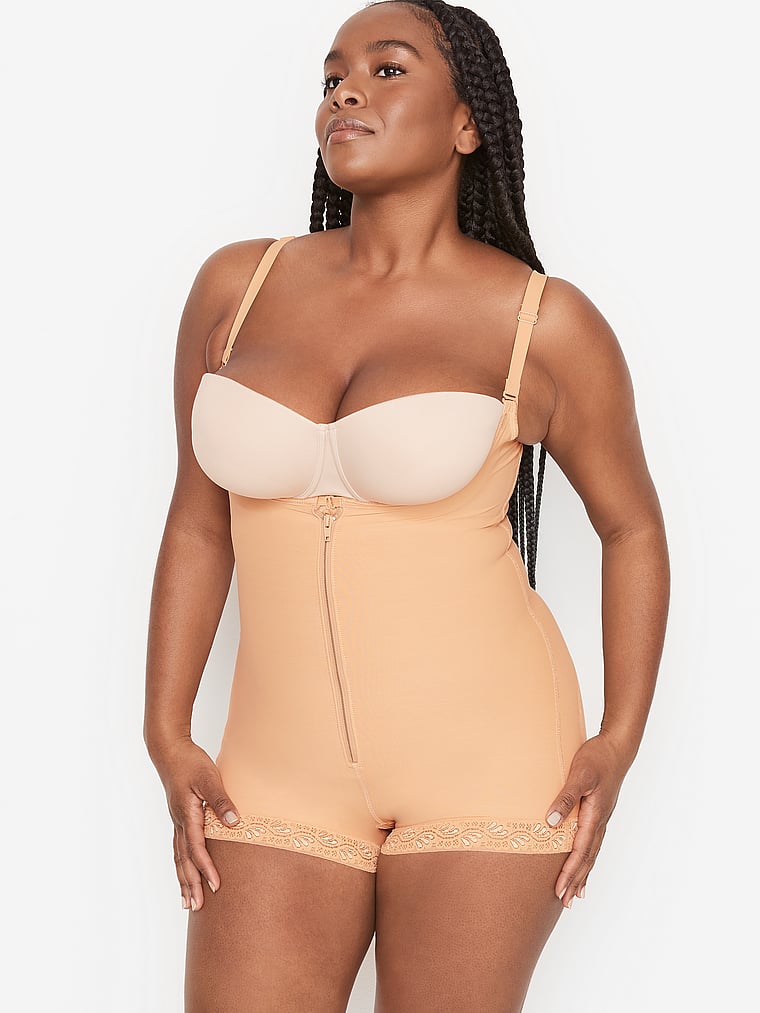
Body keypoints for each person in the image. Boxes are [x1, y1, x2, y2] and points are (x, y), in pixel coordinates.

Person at [144, 1, 670, 1009]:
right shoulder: (236, 289)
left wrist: (619, 735)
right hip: (275, 770)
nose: (345, 90)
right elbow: (196, 522)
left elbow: (632, 526)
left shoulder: (541, 322)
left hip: (492, 765)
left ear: (468, 122)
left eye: (387, 69)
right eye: (332, 75)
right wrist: (166, 729)